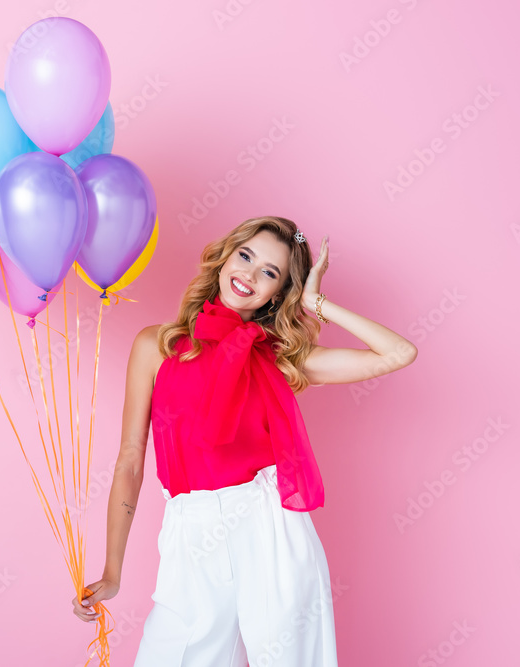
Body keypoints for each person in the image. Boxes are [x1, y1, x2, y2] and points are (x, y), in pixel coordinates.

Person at [70, 216, 418, 666]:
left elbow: (398, 353)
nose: (250, 275)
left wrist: (317, 301)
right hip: (190, 532)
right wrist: (112, 571)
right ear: (225, 256)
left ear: (278, 293)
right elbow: (131, 460)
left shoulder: (281, 357)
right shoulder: (156, 345)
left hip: (269, 528)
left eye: (270, 272)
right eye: (246, 256)